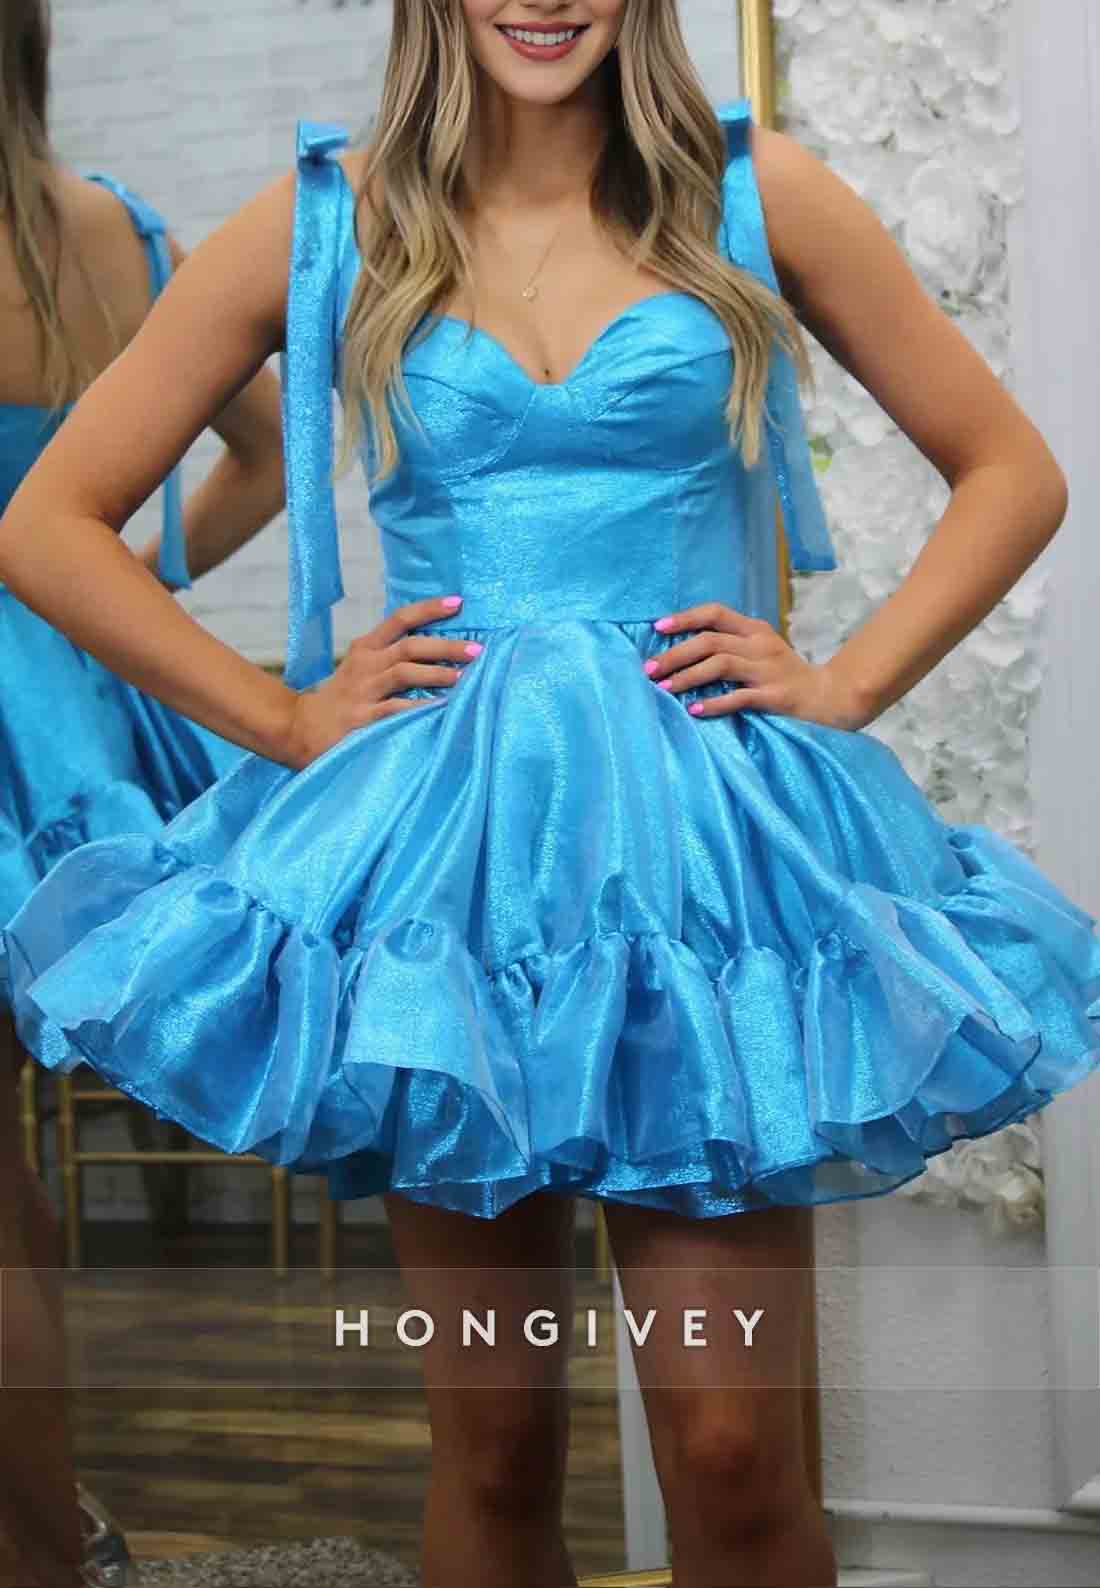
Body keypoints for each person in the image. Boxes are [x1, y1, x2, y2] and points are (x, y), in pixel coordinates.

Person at [1, 1, 1099, 1584]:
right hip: (447, 885)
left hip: (705, 880)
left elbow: (1014, 469)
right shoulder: (334, 218)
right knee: (499, 1444)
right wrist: (283, 716)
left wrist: (851, 681)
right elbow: (50, 521)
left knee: (731, 1455)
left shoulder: (751, 194)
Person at [0, 2, 287, 1584]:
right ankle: (56, 1530)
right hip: (75, 722)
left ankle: (42, 1540)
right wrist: (109, 599)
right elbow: (268, 454)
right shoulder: (114, 227)